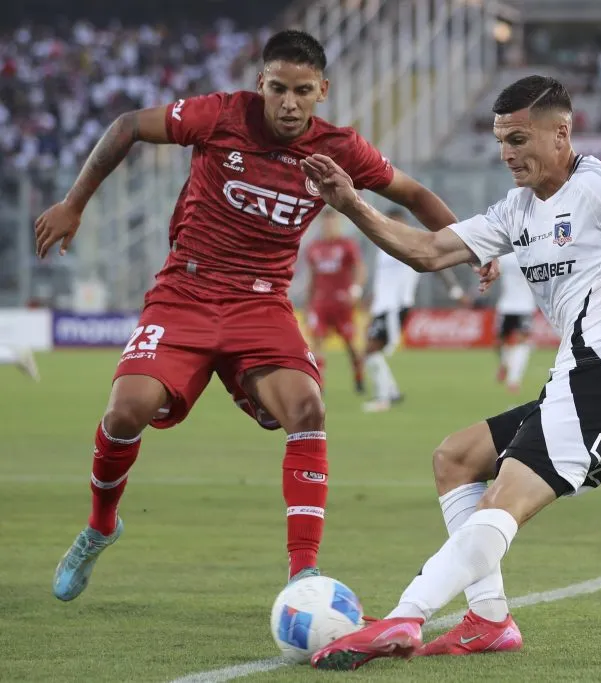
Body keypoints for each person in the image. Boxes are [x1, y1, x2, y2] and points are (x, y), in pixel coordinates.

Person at [299, 74, 601, 670]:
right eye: (502, 140)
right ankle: (488, 618)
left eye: (519, 138)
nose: (508, 153)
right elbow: (427, 251)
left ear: (562, 133)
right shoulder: (517, 209)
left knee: (500, 503)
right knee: (455, 459)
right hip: (577, 383)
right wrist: (351, 203)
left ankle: (407, 614)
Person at [34, 30, 472, 601]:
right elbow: (126, 126)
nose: (289, 103)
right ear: (260, 84)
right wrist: (74, 203)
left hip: (262, 303)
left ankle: (303, 576)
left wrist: (470, 246)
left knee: (308, 407)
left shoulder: (339, 149)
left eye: (302, 91)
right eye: (278, 88)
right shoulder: (218, 115)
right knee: (125, 412)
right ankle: (99, 527)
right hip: (185, 292)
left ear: (322, 91)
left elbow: (412, 193)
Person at [362, 207, 470, 413]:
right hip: (381, 306)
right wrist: (371, 297)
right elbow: (383, 278)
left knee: (371, 351)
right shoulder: (381, 244)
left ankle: (384, 398)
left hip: (396, 306)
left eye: (395, 221)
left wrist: (455, 291)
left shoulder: (410, 242)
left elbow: (437, 264)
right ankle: (391, 392)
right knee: (371, 352)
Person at [304, 210, 366, 393]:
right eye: (326, 223)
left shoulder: (347, 245)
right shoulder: (314, 248)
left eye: (332, 222)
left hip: (342, 304)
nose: (329, 226)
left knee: (351, 346)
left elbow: (360, 269)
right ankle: (319, 384)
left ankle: (359, 376)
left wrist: (355, 290)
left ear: (338, 224)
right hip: (321, 303)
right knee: (317, 343)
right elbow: (312, 278)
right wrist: (309, 305)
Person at [494, 251, 537, 393]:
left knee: (522, 341)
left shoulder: (532, 252)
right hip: (506, 305)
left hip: (524, 306)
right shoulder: (505, 255)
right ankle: (505, 363)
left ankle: (514, 380)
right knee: (501, 342)